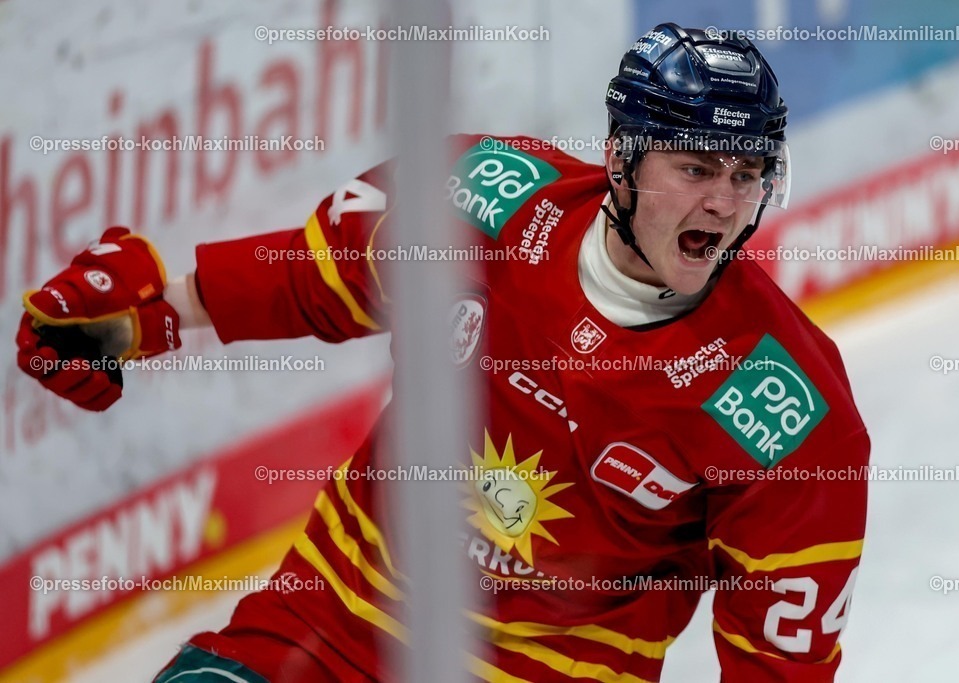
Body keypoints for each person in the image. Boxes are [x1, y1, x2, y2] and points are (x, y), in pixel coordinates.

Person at [16, 24, 869, 683]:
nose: (724, 203)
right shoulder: (482, 202)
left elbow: (781, 663)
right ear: (622, 158)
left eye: (747, 174)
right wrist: (132, 320)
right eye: (696, 168)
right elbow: (312, 283)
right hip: (334, 619)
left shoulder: (786, 406)